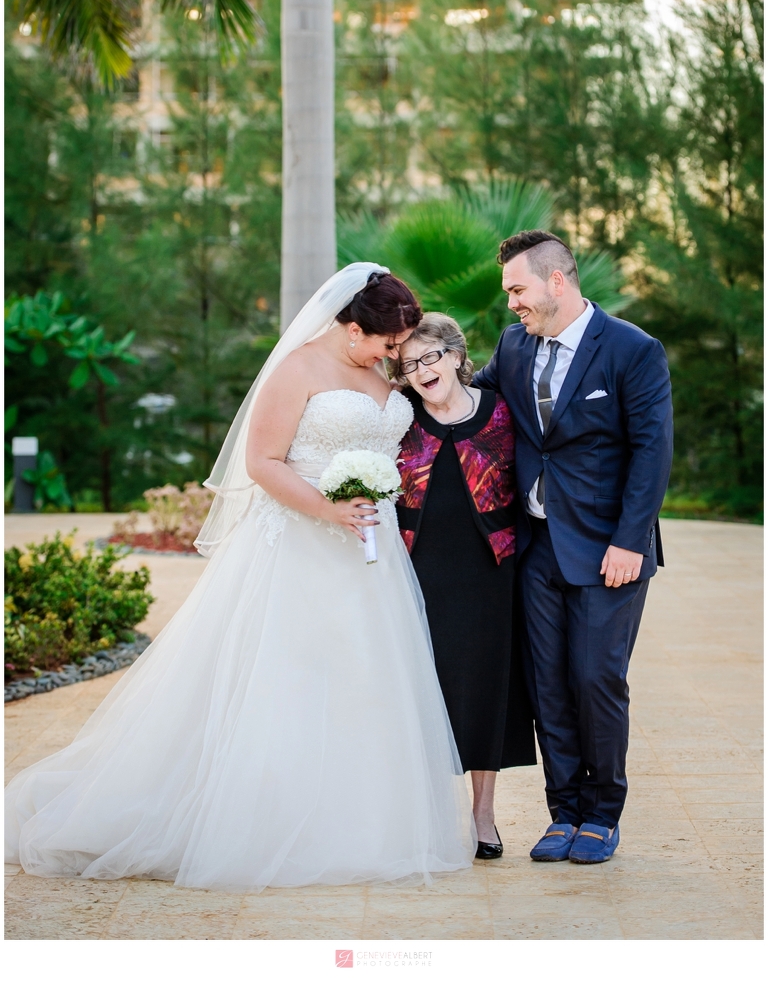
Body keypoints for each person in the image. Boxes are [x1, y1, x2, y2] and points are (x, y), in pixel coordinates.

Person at [5, 265, 476, 890]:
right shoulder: (296, 369)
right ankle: (261, 818)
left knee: (367, 675)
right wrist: (328, 509)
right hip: (301, 544)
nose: (398, 356)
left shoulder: (378, 370)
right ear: (354, 327)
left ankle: (359, 819)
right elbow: (262, 462)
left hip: (372, 550)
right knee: (289, 679)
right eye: (389, 344)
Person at [474, 231, 673, 864]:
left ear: (557, 281)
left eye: (518, 289)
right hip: (535, 549)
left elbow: (652, 452)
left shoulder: (632, 350)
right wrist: (394, 387)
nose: (512, 304)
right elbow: (469, 400)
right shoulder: (512, 347)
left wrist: (629, 541)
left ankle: (602, 814)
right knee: (548, 685)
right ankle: (563, 813)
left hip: (609, 552)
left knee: (596, 678)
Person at [394, 313, 536, 861]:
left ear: (456, 357)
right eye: (409, 365)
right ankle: (426, 816)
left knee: (483, 688)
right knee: (423, 685)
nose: (421, 370)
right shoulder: (400, 416)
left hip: (490, 571)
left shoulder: (500, 410)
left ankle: (483, 813)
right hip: (417, 568)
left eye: (430, 357)